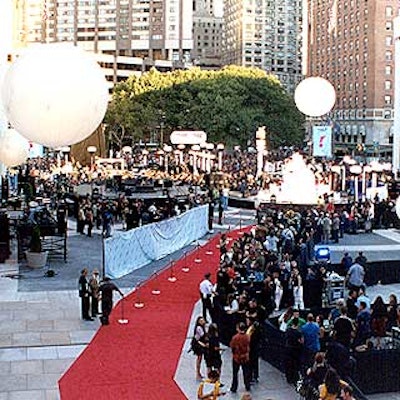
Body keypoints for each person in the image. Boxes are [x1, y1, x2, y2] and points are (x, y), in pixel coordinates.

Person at [229, 322, 251, 393]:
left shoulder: (235, 337)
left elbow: (232, 346)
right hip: (245, 357)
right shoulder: (247, 336)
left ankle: (234, 387)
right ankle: (247, 385)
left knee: (235, 373)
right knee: (246, 372)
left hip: (237, 357)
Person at [285, 317, 303, 384]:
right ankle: (294, 378)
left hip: (288, 349)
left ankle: (289, 378)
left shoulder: (288, 330)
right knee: (295, 364)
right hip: (296, 350)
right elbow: (301, 341)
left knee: (289, 364)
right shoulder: (298, 332)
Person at [191, 316, 208, 380]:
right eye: (201, 321)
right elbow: (199, 338)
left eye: (203, 320)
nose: (202, 321)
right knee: (199, 359)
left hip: (201, 342)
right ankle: (197, 373)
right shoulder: (199, 328)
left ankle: (199, 373)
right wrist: (203, 345)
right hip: (198, 344)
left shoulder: (203, 327)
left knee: (200, 358)